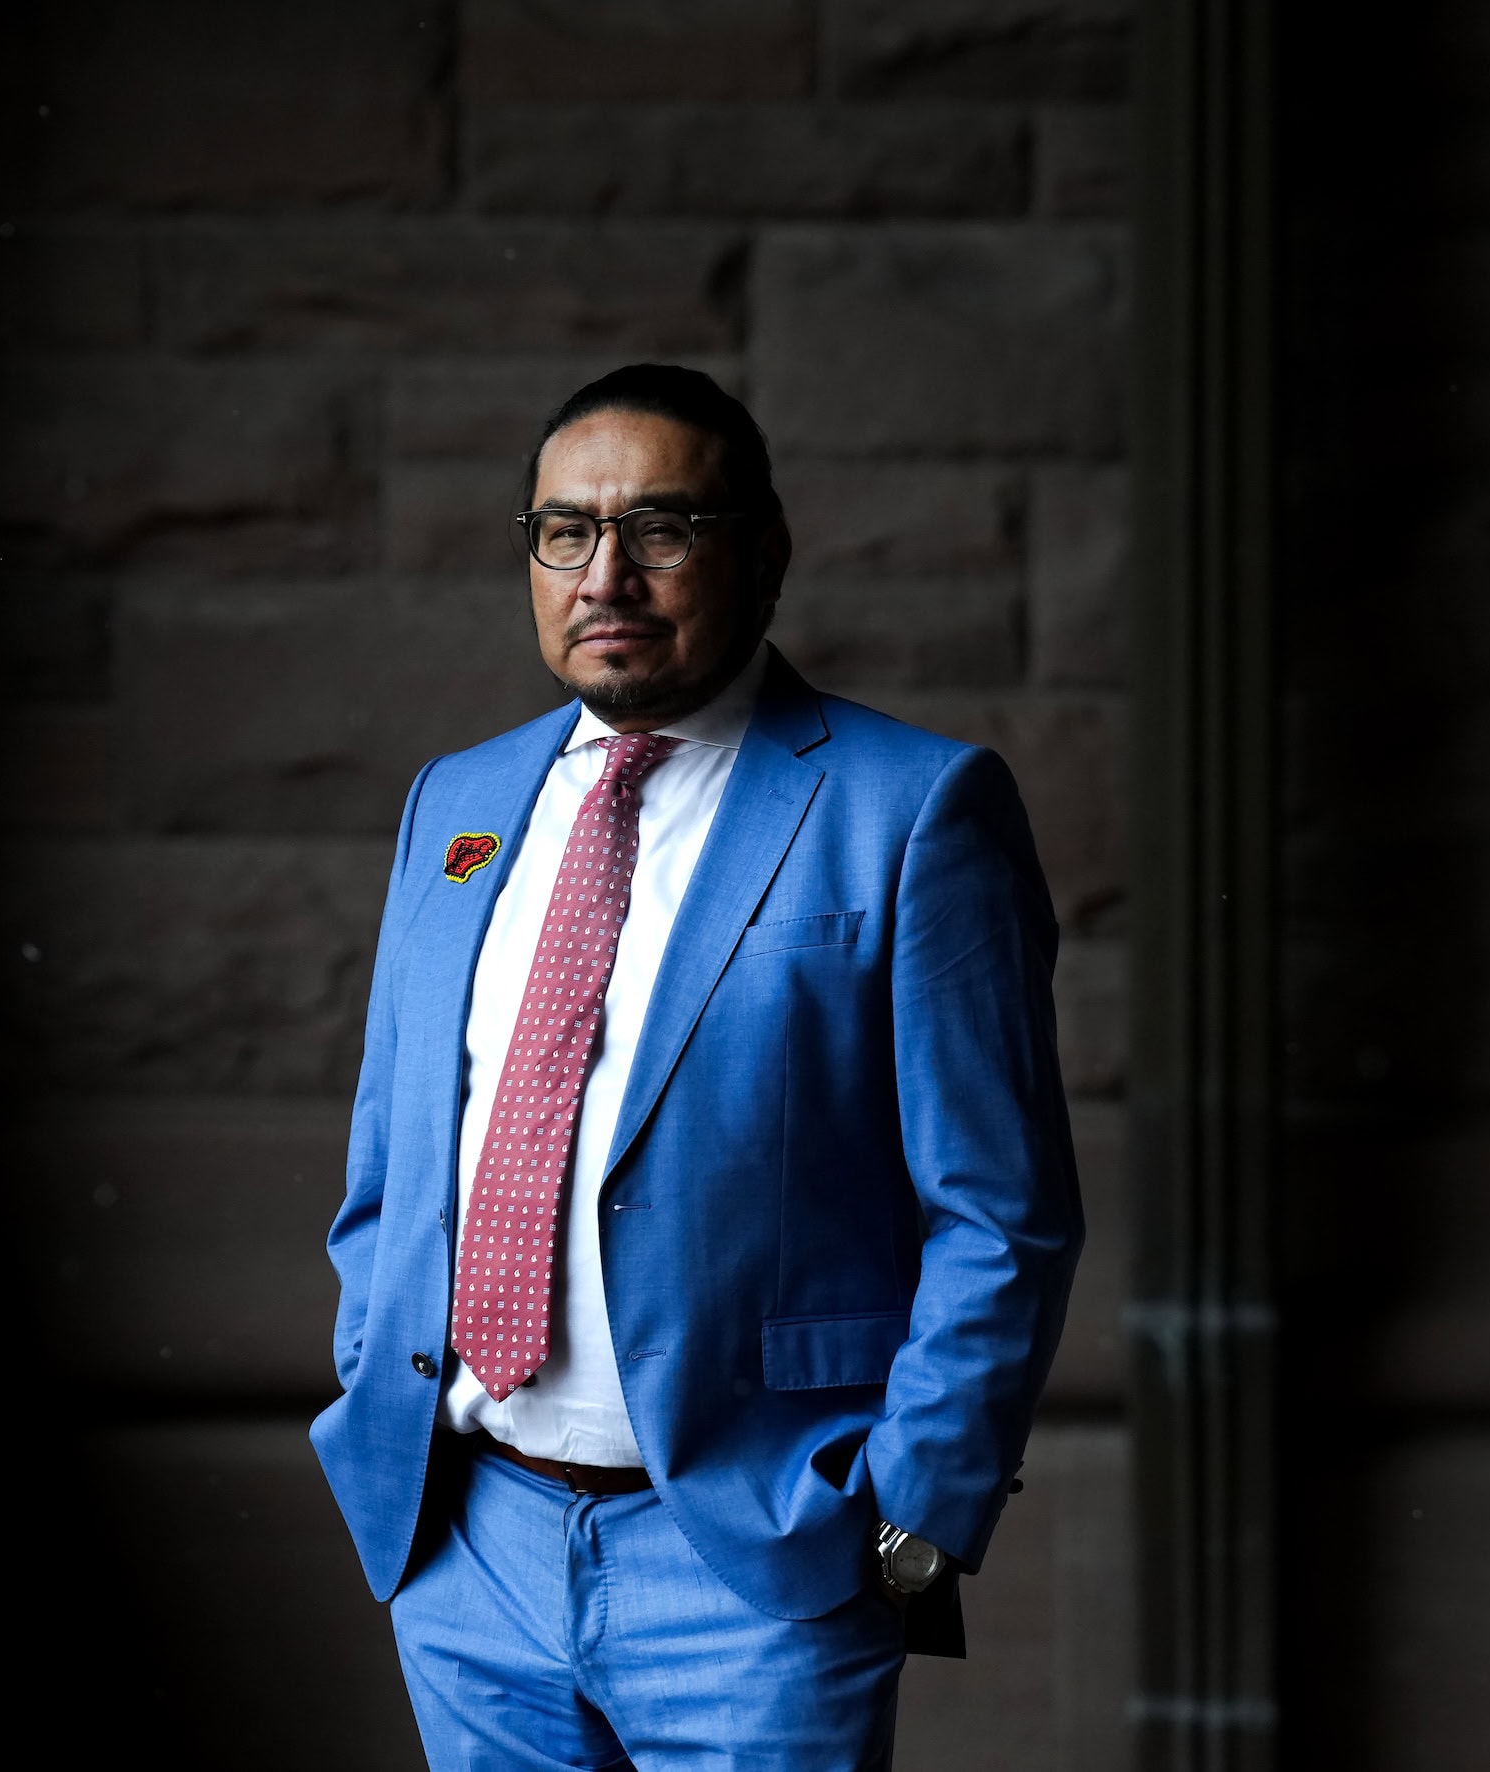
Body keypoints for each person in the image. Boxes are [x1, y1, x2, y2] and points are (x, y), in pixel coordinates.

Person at [310, 363, 1084, 1770]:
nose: (606, 572)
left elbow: (999, 1210)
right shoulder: (458, 803)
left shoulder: (909, 809)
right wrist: (373, 1378)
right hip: (466, 1545)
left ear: (764, 554)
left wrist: (907, 1516)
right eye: (564, 531)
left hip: (752, 1561)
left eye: (661, 528)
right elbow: (396, 1147)